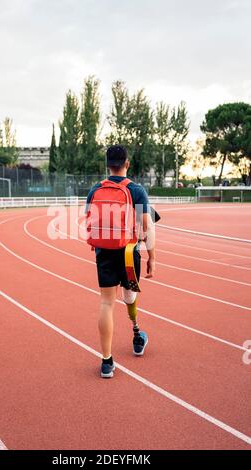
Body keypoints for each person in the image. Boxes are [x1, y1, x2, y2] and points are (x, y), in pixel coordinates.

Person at [86, 145, 159, 378]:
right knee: (129, 295)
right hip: (128, 252)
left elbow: (90, 219)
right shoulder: (136, 190)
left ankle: (107, 362)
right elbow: (148, 226)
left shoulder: (94, 190)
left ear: (108, 165)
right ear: (127, 163)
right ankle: (137, 333)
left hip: (103, 251)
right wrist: (152, 258)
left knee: (107, 303)